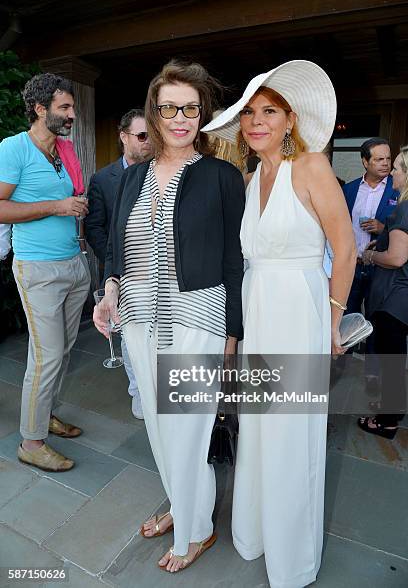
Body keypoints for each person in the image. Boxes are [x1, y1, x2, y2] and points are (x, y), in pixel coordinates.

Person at [203, 60, 356, 587]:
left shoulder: (312, 167)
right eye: (249, 113)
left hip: (301, 311)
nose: (256, 122)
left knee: (293, 434)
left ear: (289, 120)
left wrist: (332, 322)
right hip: (260, 307)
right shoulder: (248, 180)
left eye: (269, 112)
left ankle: (292, 558)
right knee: (261, 427)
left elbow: (346, 249)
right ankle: (257, 533)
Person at [93, 60, 245, 572]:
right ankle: (184, 506)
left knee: (188, 427)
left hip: (197, 316)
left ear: (201, 113)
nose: (180, 118)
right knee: (157, 426)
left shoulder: (221, 176)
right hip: (137, 318)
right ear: (154, 113)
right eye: (169, 108)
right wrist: (109, 290)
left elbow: (232, 258)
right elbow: (115, 245)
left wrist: (233, 332)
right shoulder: (133, 177)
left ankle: (197, 531)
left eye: (190, 108)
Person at [0, 73, 90, 472]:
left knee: (63, 350)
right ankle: (31, 441)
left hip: (74, 262)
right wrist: (58, 207)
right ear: (40, 109)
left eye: (72, 107)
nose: (72, 115)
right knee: (47, 355)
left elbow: (71, 196)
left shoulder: (66, 149)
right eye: (64, 108)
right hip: (38, 269)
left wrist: (76, 206)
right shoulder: (13, 149)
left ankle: (45, 414)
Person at [85, 108, 153, 419]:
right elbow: (95, 227)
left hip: (155, 272)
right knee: (127, 334)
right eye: (141, 135)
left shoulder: (159, 171)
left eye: (150, 134)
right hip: (120, 273)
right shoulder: (102, 178)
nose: (147, 141)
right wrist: (114, 263)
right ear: (123, 137)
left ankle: (158, 391)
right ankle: (138, 394)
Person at [359, 145, 408, 439]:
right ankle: (392, 409)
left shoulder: (404, 207)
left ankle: (387, 422)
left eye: (399, 168)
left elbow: (397, 258)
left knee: (392, 362)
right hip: (401, 297)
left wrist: (370, 257)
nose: (393, 172)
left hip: (394, 297)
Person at [343, 138, 398, 382]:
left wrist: (381, 228)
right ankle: (339, 370)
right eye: (379, 159)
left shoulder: (398, 190)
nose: (385, 164)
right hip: (351, 267)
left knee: (377, 320)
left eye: (388, 159)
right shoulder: (350, 189)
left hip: (381, 268)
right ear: (365, 161)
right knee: (346, 318)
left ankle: (373, 375)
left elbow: (402, 232)